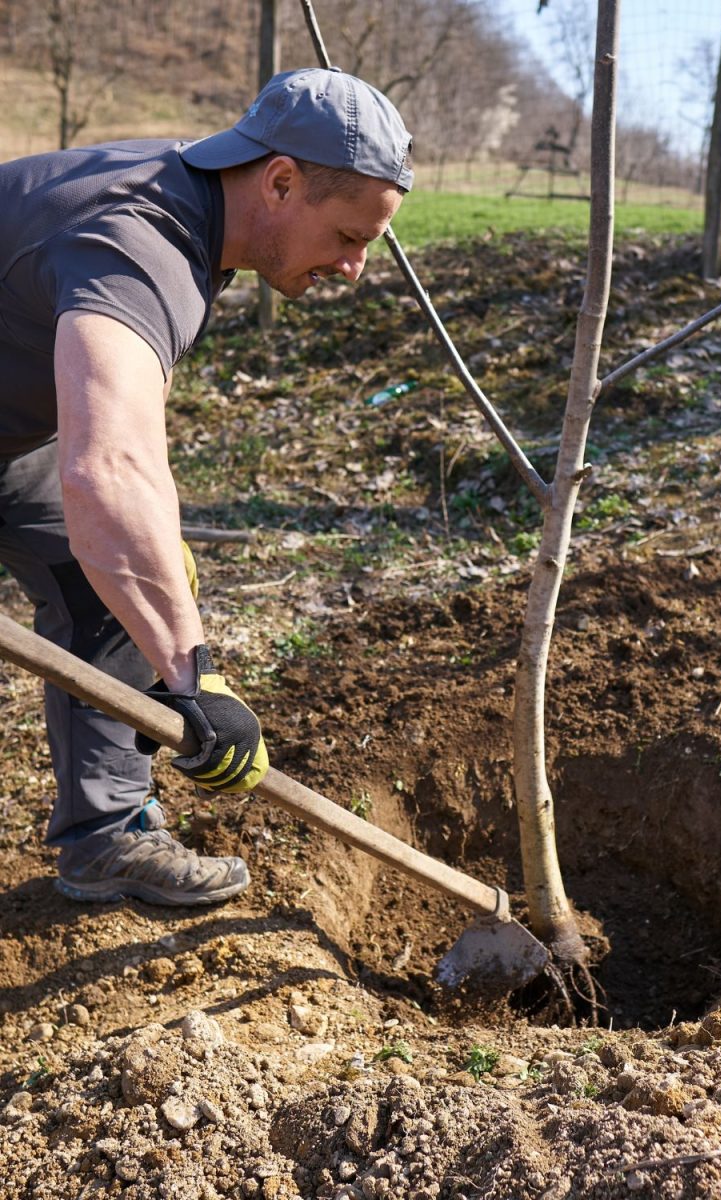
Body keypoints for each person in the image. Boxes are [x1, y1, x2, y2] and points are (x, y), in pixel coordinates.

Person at [0, 67, 413, 906]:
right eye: (345, 236)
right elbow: (109, 472)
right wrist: (195, 679)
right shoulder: (139, 244)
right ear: (281, 181)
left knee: (108, 582)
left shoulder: (191, 209)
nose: (356, 266)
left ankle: (107, 833)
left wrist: (155, 577)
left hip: (12, 435)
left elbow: (119, 443)